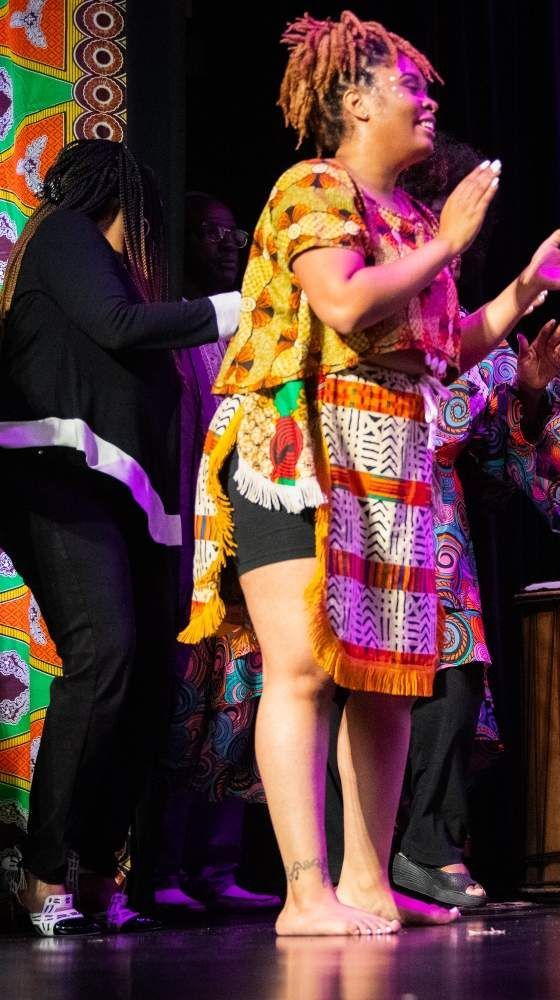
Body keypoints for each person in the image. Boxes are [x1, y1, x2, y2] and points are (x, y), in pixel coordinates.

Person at [178, 12, 560, 936]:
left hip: (391, 452)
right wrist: (449, 245)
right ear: (356, 100)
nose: (428, 99)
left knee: (387, 676)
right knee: (301, 670)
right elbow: (340, 299)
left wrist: (524, 289)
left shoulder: (410, 217)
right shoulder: (312, 187)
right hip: (296, 446)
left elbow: (444, 350)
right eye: (411, 85)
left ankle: (369, 883)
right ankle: (305, 892)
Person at [326, 134, 560, 910]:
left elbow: (516, 470)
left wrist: (534, 395)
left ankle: (429, 846)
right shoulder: (371, 284)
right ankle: (353, 862)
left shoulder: (468, 324)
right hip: (359, 500)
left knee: (455, 676)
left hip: (438, 527)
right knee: (356, 681)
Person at [0, 139, 240, 936]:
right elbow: (117, 326)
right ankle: (41, 874)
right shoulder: (66, 232)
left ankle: (101, 870)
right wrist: (240, 306)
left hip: (115, 492)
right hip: (53, 475)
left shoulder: (117, 275)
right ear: (125, 198)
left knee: (140, 682)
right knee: (103, 655)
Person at [158, 192, 281, 915]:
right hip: (195, 550)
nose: (225, 242)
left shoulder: (257, 332)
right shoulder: (180, 327)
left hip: (251, 543)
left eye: (231, 231)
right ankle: (168, 866)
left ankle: (222, 864)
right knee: (185, 711)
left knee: (243, 711)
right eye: (207, 231)